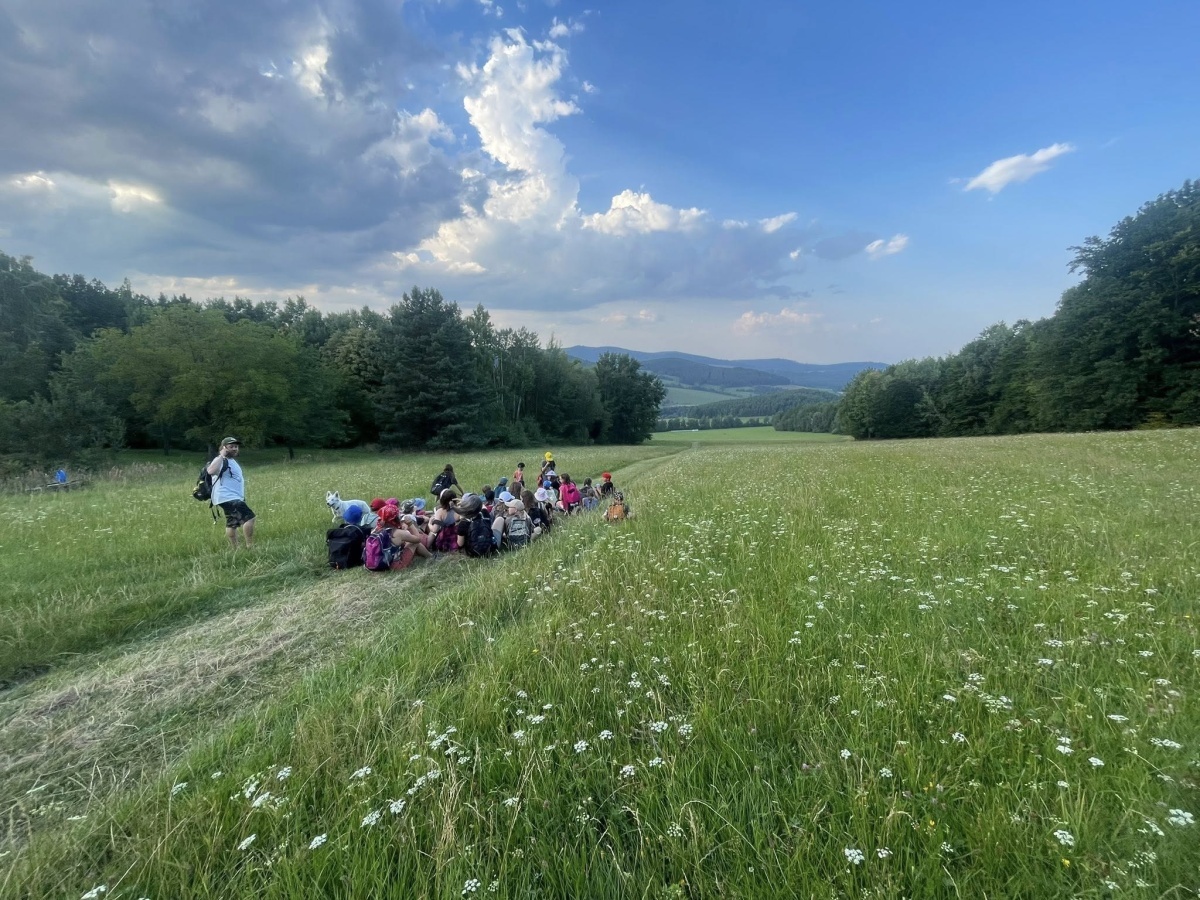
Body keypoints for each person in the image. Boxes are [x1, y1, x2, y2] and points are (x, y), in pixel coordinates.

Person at [208, 436, 255, 549]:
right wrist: (221, 455)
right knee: (249, 518)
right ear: (224, 447)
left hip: (229, 497)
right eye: (231, 446)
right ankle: (250, 546)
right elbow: (211, 471)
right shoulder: (220, 459)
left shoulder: (231, 461)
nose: (234, 448)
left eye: (236, 446)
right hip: (227, 496)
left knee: (232, 522)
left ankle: (235, 548)